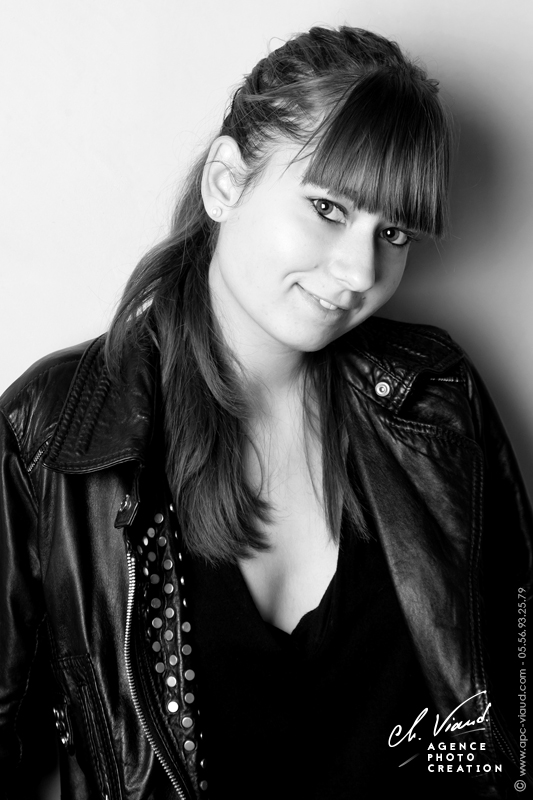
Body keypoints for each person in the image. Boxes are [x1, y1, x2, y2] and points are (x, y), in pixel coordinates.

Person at [0, 25, 531, 800]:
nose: (359, 271)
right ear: (225, 183)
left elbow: (514, 693)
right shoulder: (56, 429)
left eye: (392, 232)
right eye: (327, 207)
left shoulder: (435, 397)